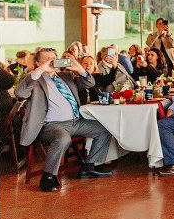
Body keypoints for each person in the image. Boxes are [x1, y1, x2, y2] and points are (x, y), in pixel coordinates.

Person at [13, 48, 113, 192]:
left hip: (76, 122)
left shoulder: (65, 75)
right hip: (51, 125)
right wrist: (40, 70)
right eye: (47, 58)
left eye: (54, 57)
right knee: (62, 139)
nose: (52, 60)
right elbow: (20, 93)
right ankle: (47, 177)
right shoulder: (34, 79)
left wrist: (80, 68)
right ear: (37, 62)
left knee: (104, 129)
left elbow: (89, 83)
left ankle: (88, 167)